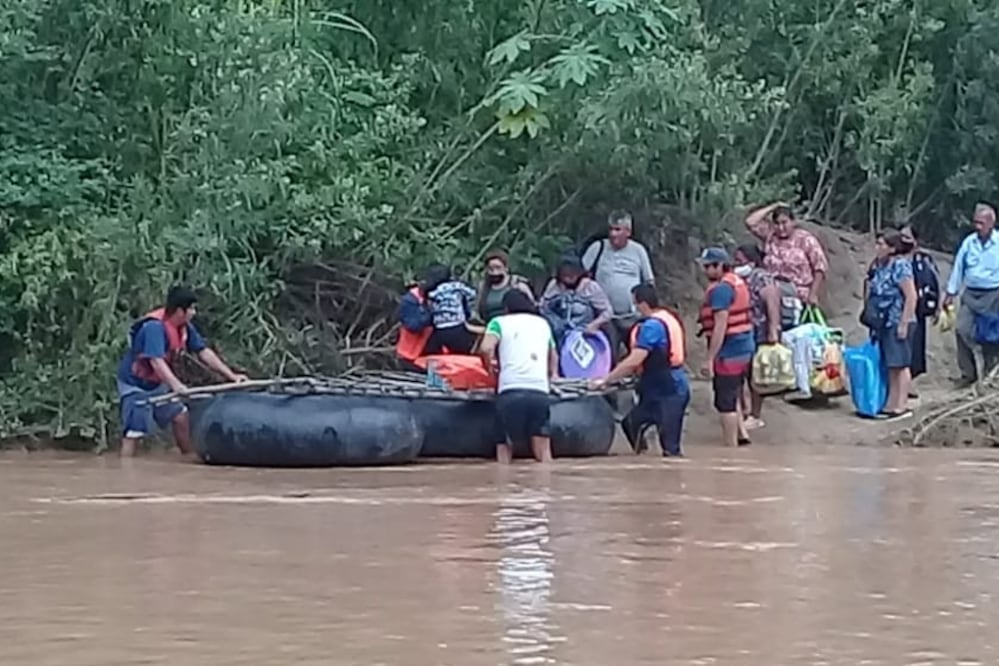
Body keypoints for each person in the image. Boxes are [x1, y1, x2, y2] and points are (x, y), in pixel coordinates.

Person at [116, 286, 249, 458]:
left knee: (180, 416)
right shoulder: (154, 328)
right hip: (136, 385)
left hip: (156, 383)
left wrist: (232, 376)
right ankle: (126, 467)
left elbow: (203, 352)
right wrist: (177, 386)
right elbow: (156, 361)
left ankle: (187, 456)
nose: (194, 312)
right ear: (180, 311)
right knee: (134, 432)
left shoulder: (184, 327)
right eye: (192, 308)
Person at [590, 283, 689, 457]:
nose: (634, 308)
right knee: (632, 423)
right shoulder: (667, 317)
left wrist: (606, 380)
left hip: (670, 388)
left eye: (635, 304)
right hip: (656, 388)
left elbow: (635, 359)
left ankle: (670, 474)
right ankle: (643, 461)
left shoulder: (653, 326)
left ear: (643, 303)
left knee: (670, 446)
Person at [479, 290, 559, 464]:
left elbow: (485, 348)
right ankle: (547, 485)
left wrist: (490, 368)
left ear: (506, 308)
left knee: (505, 446)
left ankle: (504, 483)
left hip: (510, 390)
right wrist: (553, 375)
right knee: (543, 450)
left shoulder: (498, 322)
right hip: (539, 391)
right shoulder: (542, 324)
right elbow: (553, 354)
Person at [697, 248, 756, 447]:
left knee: (725, 402)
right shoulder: (737, 282)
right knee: (734, 392)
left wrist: (710, 358)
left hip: (730, 352)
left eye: (709, 266)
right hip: (745, 348)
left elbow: (720, 325)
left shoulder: (722, 290)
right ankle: (742, 434)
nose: (705, 271)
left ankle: (730, 449)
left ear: (721, 266)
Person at [581, 210, 655, 354]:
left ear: (628, 231)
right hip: (606, 317)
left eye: (617, 229)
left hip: (633, 317)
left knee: (639, 355)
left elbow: (649, 282)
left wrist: (648, 312)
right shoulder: (598, 247)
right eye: (611, 229)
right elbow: (581, 276)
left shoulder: (638, 251)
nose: (613, 234)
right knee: (608, 356)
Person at [944, 203, 999, 387]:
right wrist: (950, 292)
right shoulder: (969, 242)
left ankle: (991, 375)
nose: (977, 227)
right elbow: (959, 267)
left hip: (993, 295)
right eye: (975, 222)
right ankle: (968, 373)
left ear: (992, 223)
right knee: (961, 329)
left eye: (981, 223)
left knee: (991, 336)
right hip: (971, 293)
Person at [865, 231, 918, 418]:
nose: (877, 248)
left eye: (881, 245)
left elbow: (911, 296)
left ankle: (901, 404)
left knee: (901, 364)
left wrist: (904, 322)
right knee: (890, 364)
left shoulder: (901, 266)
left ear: (892, 248)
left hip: (898, 319)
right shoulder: (879, 266)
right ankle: (891, 403)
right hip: (884, 321)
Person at [733, 244, 783, 430]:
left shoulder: (762, 277)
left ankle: (755, 414)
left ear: (751, 261)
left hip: (759, 331)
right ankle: (744, 411)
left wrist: (773, 329)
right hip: (743, 330)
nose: (736, 264)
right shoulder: (739, 278)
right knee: (741, 372)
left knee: (755, 374)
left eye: (740, 261)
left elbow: (772, 302)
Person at [745, 202, 829, 305]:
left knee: (769, 290)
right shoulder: (770, 236)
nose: (781, 228)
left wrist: (813, 294)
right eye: (777, 223)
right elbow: (750, 222)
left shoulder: (805, 239)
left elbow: (819, 267)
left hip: (796, 289)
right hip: (770, 284)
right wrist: (774, 206)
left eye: (784, 222)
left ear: (793, 222)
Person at [892, 225, 940, 396]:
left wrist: (935, 308)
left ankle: (906, 386)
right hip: (893, 311)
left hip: (916, 312)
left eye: (907, 237)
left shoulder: (923, 260)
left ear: (915, 240)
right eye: (901, 236)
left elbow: (933, 284)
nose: (904, 240)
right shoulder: (892, 259)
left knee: (915, 350)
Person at [539, 254, 613, 346]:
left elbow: (607, 311)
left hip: (583, 335)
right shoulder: (554, 285)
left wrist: (594, 324)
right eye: (565, 274)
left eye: (572, 273)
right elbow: (542, 307)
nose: (568, 277)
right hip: (556, 335)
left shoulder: (591, 287)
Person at [426, 265, 478, 354]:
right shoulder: (456, 286)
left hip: (439, 328)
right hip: (457, 325)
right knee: (466, 352)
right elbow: (473, 294)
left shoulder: (431, 291)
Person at [396, 265, 440, 368]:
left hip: (432, 357)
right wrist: (430, 311)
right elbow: (413, 326)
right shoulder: (410, 300)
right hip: (411, 357)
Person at [476, 249, 534, 323]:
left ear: (506, 268)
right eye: (491, 269)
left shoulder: (517, 284)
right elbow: (477, 310)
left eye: (498, 268)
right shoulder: (483, 287)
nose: (495, 272)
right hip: (490, 326)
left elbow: (532, 307)